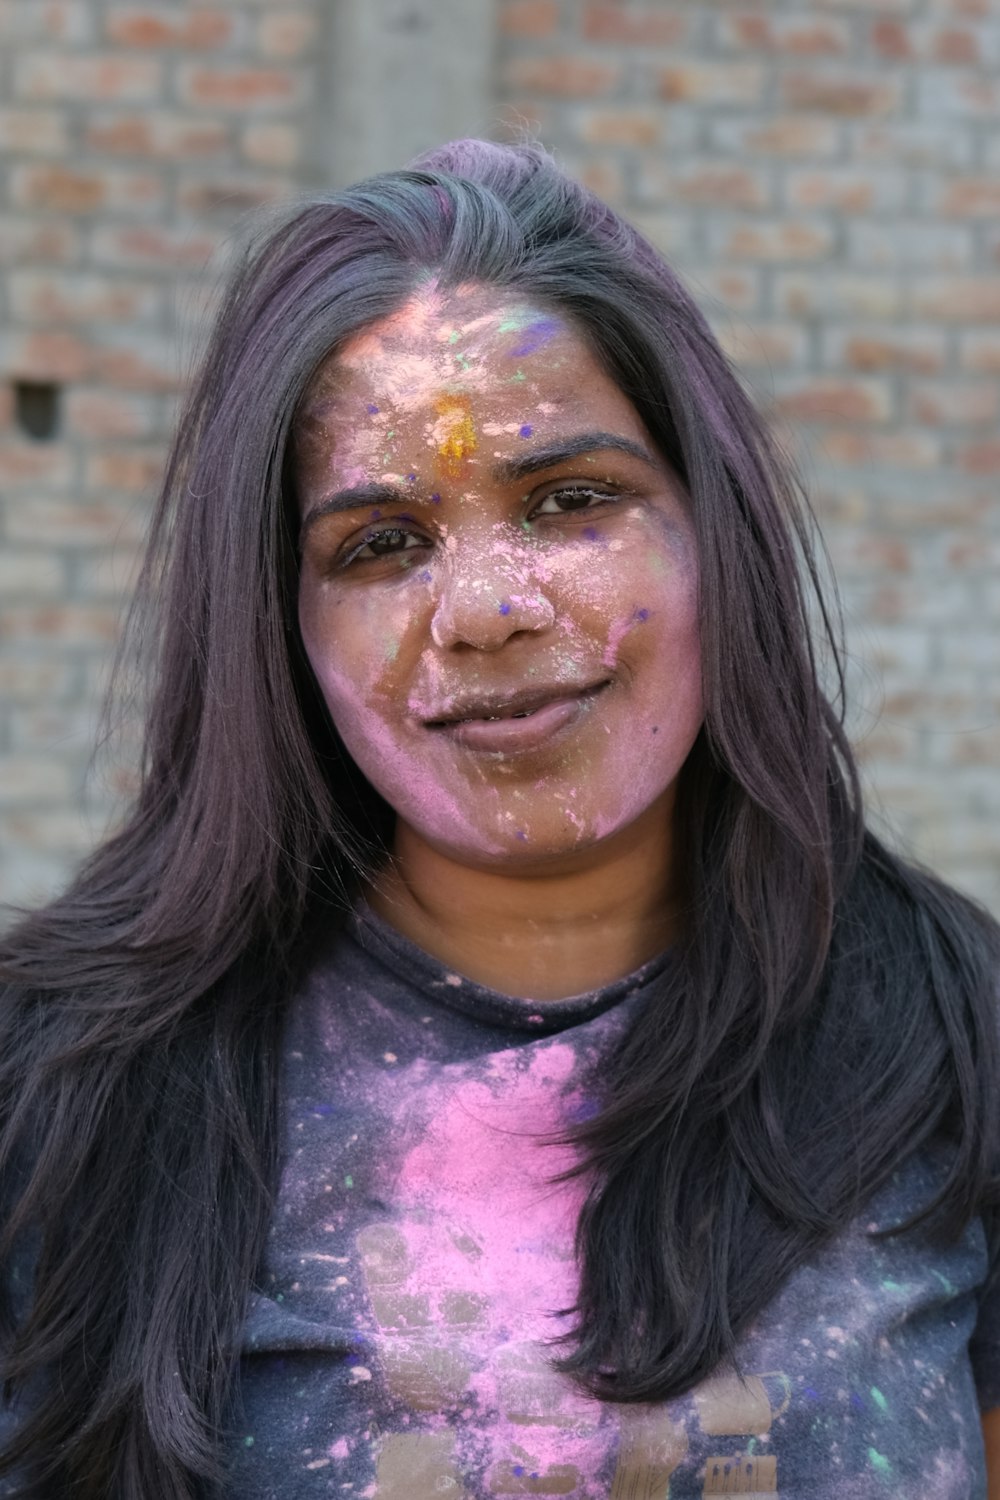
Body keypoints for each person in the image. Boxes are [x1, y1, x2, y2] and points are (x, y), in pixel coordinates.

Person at [1, 138, 998, 1500]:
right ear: (280, 626)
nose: (485, 610)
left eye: (572, 500)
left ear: (718, 532)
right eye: (381, 543)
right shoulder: (60, 1104)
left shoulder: (961, 1053)